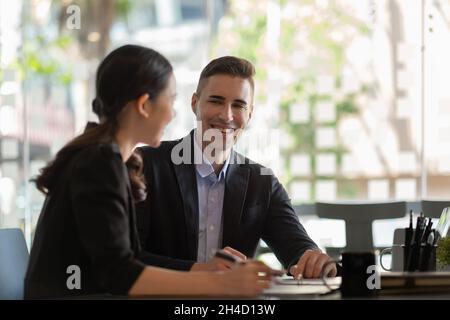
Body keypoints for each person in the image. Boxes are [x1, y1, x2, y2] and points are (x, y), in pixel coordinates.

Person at [24, 45, 275, 299]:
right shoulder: (98, 164)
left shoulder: (106, 158)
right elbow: (120, 274)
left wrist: (203, 271)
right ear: (144, 105)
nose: (173, 113)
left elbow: (133, 258)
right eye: (171, 100)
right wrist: (223, 284)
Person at [135, 56, 338, 279]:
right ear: (195, 104)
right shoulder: (146, 166)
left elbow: (297, 249)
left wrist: (313, 261)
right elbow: (126, 259)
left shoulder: (262, 182)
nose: (227, 115)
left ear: (249, 114)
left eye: (239, 105)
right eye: (216, 101)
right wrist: (201, 272)